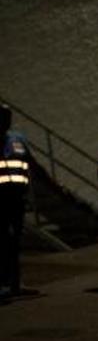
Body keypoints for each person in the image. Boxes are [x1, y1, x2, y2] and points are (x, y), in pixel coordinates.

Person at [1, 103, 33, 300]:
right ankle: (4, 283)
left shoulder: (18, 140)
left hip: (17, 198)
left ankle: (15, 284)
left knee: (14, 242)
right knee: (3, 241)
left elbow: (30, 163)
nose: (6, 120)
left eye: (7, 116)